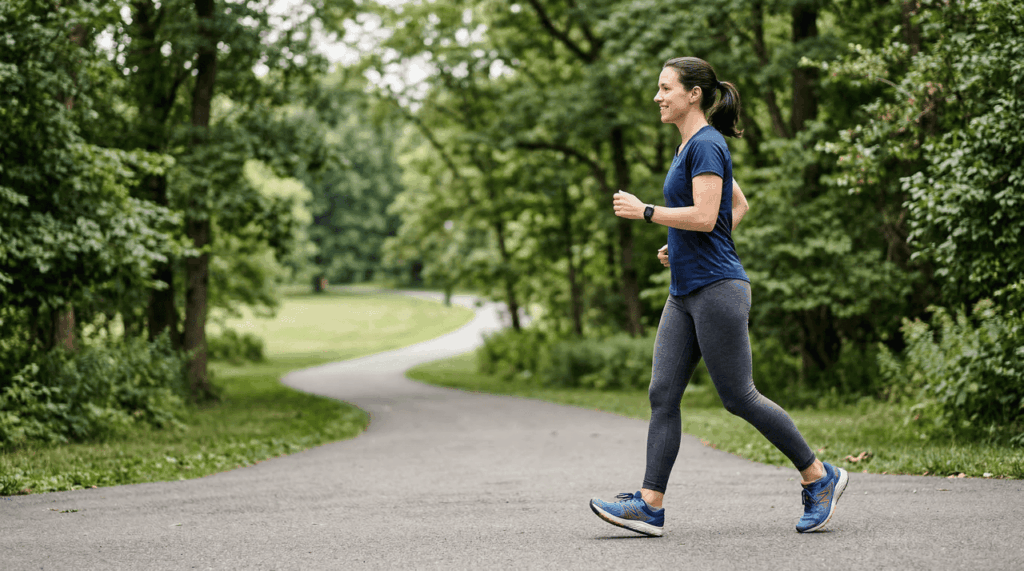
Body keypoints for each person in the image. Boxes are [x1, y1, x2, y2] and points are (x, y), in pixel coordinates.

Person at [589, 56, 848, 537]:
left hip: (717, 289)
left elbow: (710, 216)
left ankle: (819, 476)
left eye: (665, 88)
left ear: (693, 94)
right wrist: (681, 244)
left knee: (738, 396)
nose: (657, 96)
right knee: (662, 394)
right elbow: (736, 205)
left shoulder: (706, 144)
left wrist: (647, 212)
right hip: (684, 291)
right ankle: (649, 505)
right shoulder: (691, 144)